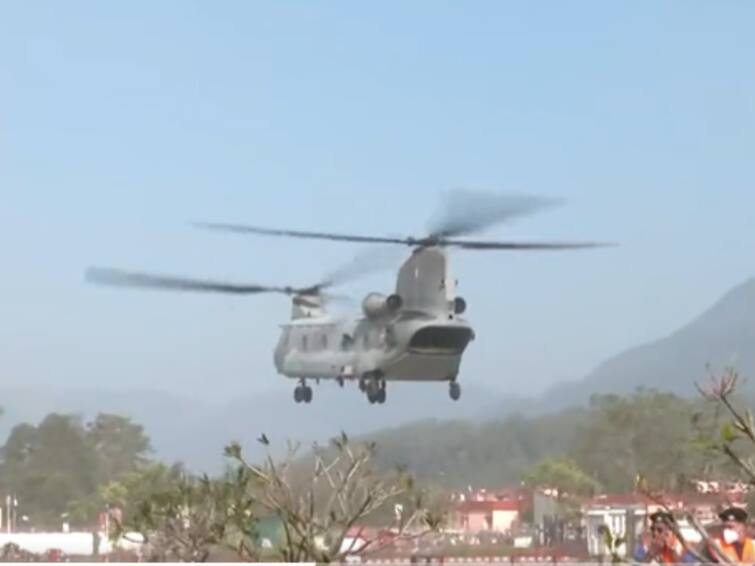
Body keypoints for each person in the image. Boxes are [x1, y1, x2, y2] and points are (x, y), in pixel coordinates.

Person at [633, 511, 697, 563]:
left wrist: (671, 552)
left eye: (659, 530)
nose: (655, 533)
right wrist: (650, 554)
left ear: (671, 531)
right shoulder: (644, 548)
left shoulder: (686, 548)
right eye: (652, 529)